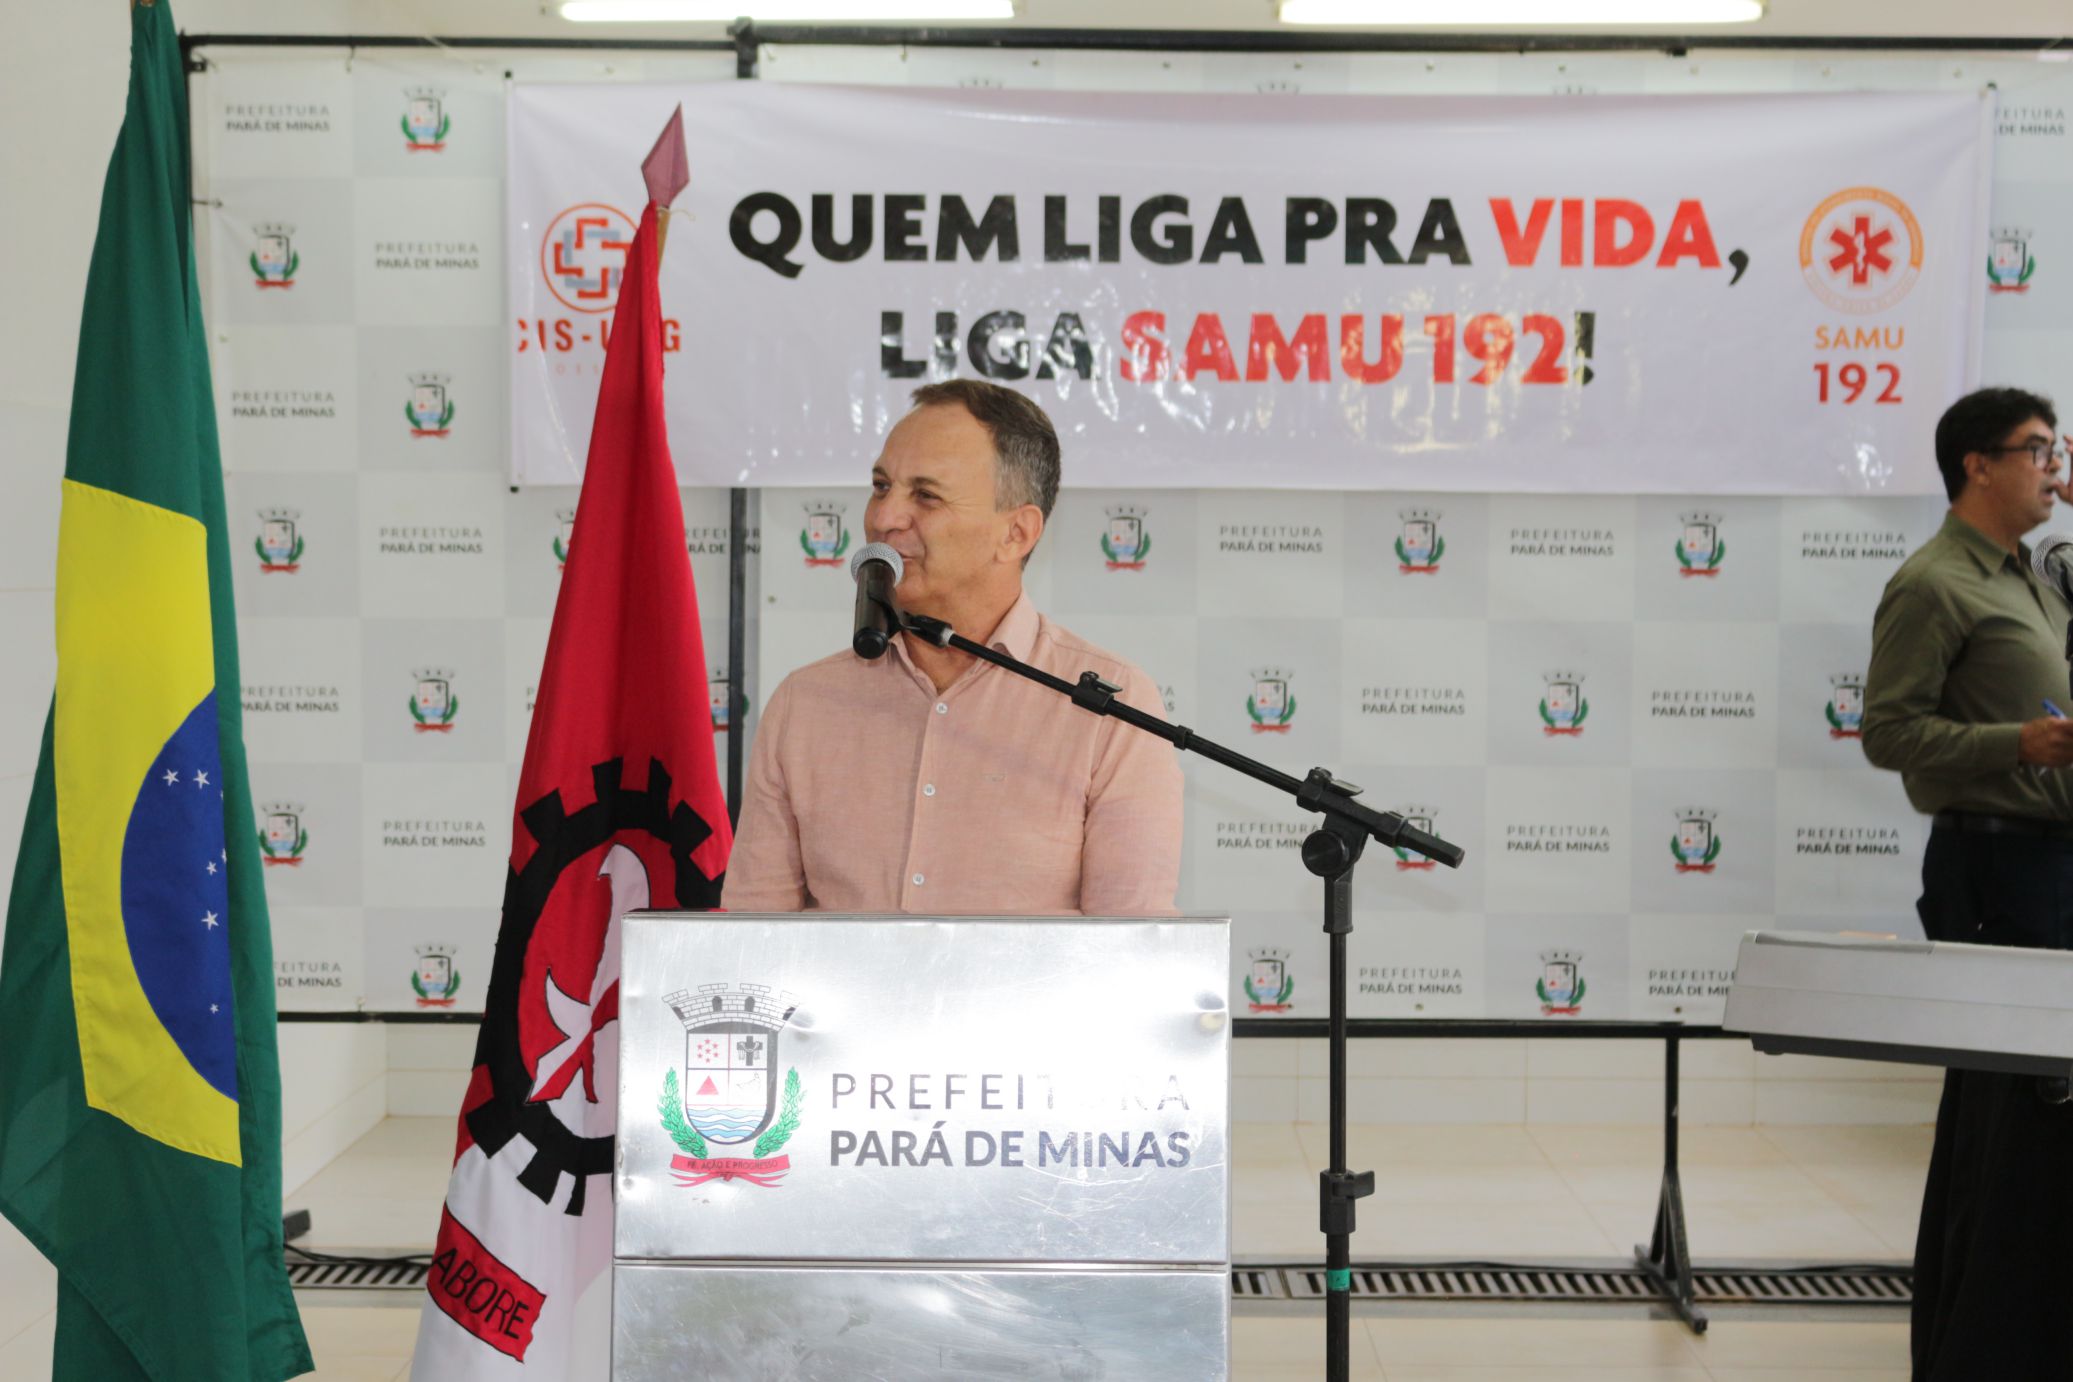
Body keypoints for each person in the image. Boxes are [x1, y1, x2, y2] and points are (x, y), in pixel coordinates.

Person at [722, 379, 1183, 915]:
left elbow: (1131, 949)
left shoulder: (1112, 713)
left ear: (1016, 533)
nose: (884, 519)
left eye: (926, 495)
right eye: (880, 486)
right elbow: (753, 936)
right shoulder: (805, 703)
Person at [1860, 386, 2073, 1381]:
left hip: (2053, 864)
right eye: (2036, 451)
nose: (2051, 469)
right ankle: (1981, 1346)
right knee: (2012, 1112)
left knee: (2047, 1119)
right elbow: (1887, 732)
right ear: (1976, 465)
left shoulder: (2037, 573)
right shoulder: (1933, 582)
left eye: (2056, 451)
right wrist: (2013, 743)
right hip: (1995, 866)